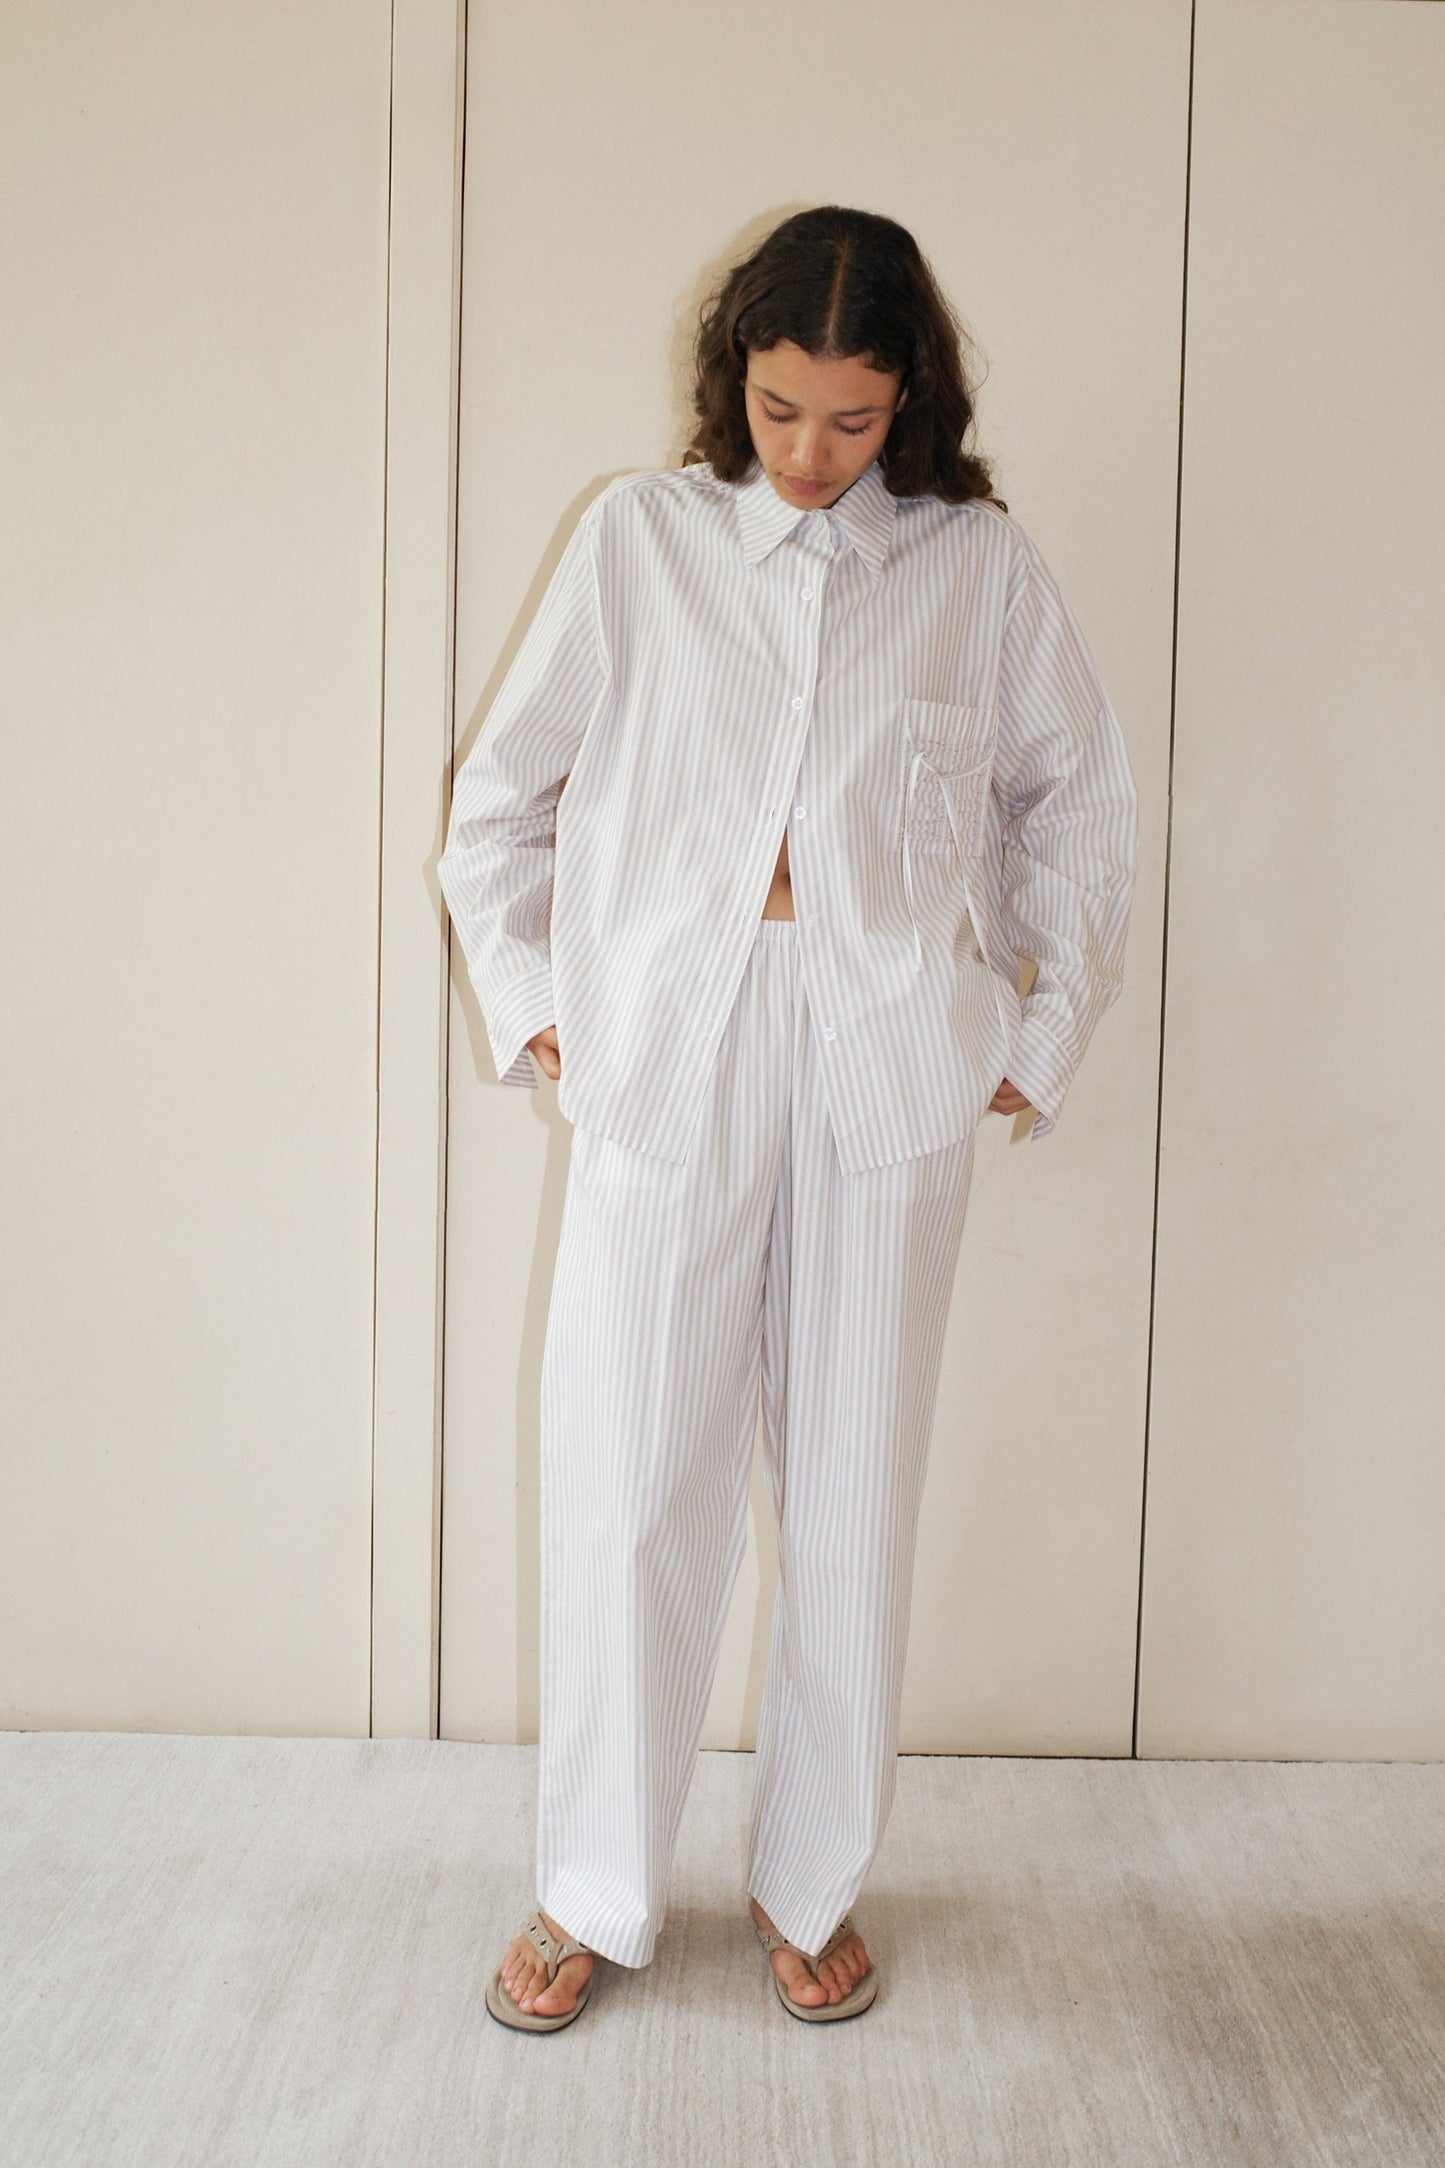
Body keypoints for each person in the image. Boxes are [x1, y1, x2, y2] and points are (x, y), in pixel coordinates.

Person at [438, 204, 1139, 2031]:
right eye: (775, 411)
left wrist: (1041, 1029)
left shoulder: (977, 570)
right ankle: (590, 1885)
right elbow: (498, 805)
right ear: (728, 381)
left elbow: (1077, 806)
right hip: (667, 1052)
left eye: (849, 418)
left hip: (886, 1062)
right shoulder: (639, 540)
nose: (810, 453)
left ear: (910, 400)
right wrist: (540, 1012)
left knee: (849, 1489)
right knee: (623, 1481)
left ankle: (812, 1878)